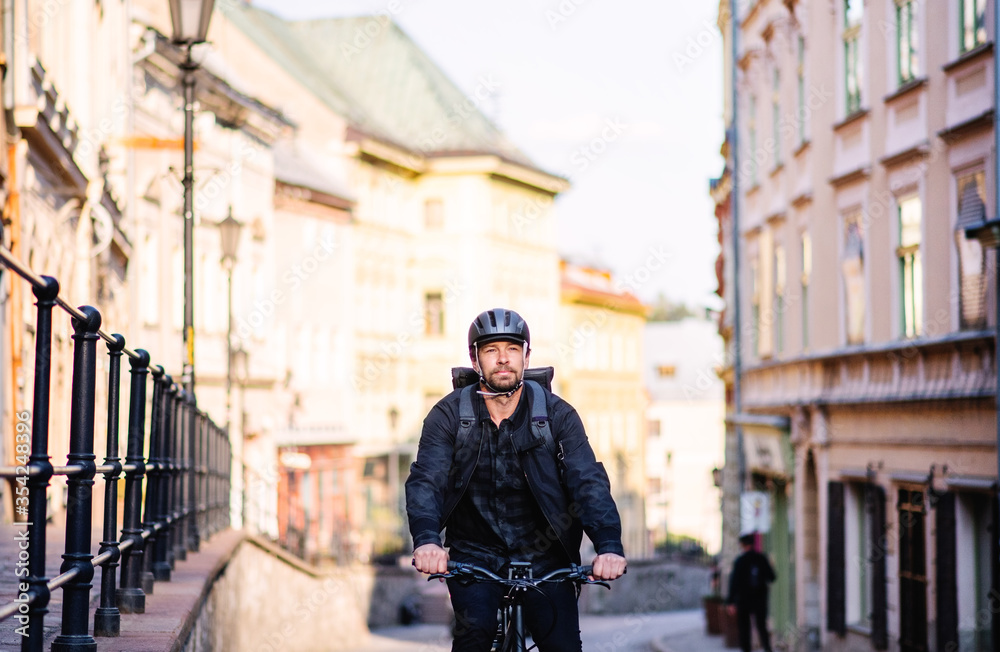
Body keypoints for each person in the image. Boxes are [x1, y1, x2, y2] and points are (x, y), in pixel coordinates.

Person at [406, 308, 627, 652]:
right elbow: (427, 480)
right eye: (491, 350)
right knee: (474, 634)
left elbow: (587, 482)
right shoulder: (448, 416)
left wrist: (609, 545)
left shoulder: (557, 416)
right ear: (475, 360)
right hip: (474, 556)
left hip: (547, 556)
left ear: (526, 355)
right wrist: (427, 540)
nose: (503, 359)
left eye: (512, 349)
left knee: (563, 647)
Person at [726, 532, 776, 652]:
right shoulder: (761, 558)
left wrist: (731, 601)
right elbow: (772, 577)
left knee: (744, 629)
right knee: (761, 627)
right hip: (759, 598)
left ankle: (747, 649)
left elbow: (734, 582)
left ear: (742, 545)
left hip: (744, 600)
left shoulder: (740, 561)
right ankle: (767, 648)